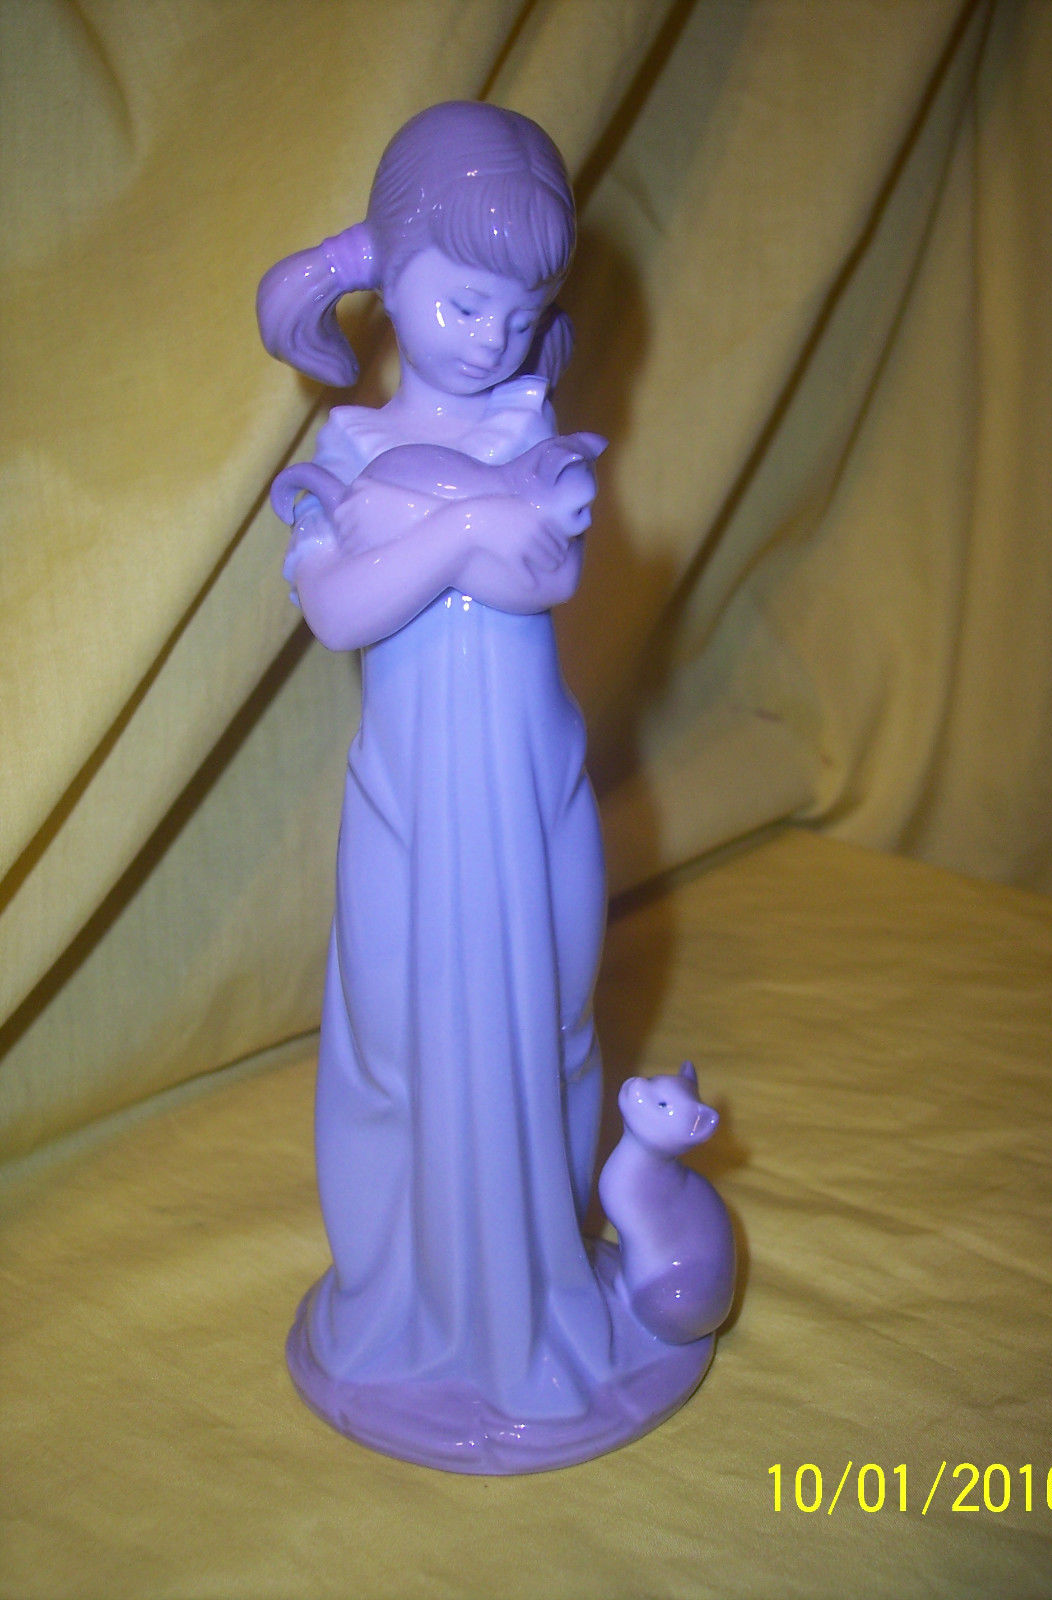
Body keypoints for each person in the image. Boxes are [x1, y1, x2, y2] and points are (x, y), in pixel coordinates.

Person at [258, 103, 709, 1473]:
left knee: (550, 1034)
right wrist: (461, 527)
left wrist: (450, 527)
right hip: (409, 809)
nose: (490, 338)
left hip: (530, 796)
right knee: (393, 1051)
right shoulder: (345, 456)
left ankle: (534, 1300)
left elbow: (543, 574)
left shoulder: (532, 429)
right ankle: (402, 1310)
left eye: (519, 312)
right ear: (388, 279)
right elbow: (339, 609)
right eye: (461, 303)